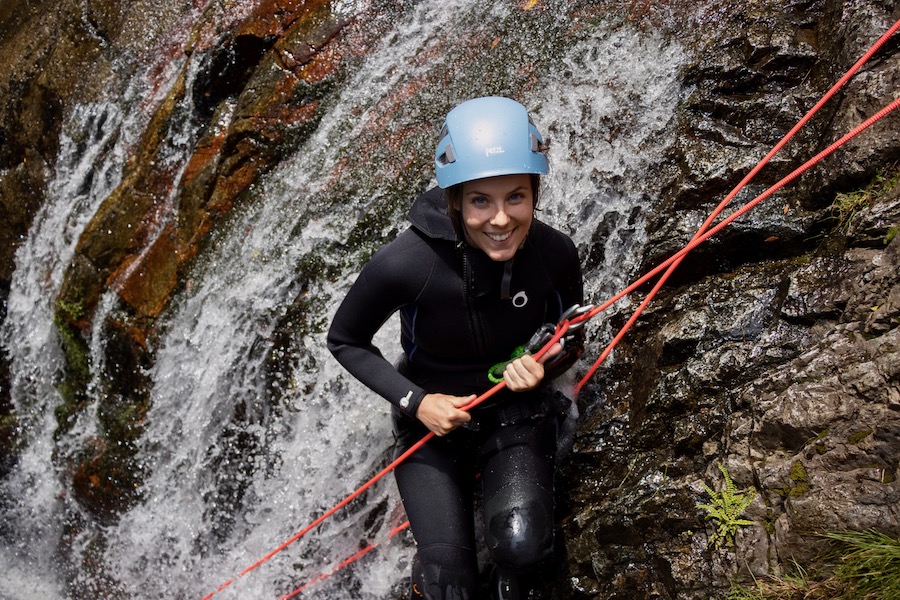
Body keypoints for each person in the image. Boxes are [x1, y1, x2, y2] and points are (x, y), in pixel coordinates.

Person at [327, 96, 584, 600]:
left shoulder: (554, 255)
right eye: (481, 201)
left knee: (521, 549)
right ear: (456, 200)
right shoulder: (405, 263)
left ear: (534, 192)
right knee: (448, 584)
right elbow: (345, 340)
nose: (501, 219)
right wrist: (417, 402)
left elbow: (569, 334)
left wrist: (544, 366)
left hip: (515, 412)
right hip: (432, 425)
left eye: (516, 197)